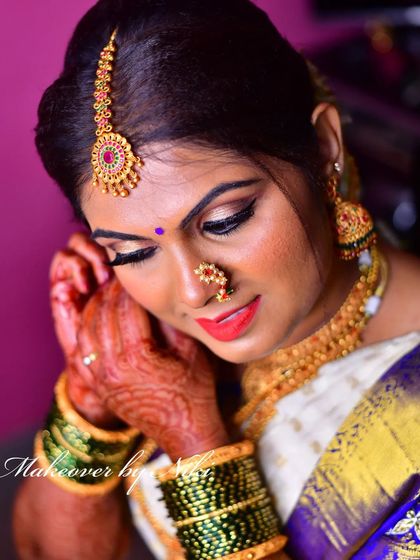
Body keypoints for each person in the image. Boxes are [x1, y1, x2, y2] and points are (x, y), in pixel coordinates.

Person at [12, 1, 420, 559]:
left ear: (324, 149)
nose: (193, 291)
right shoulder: (148, 348)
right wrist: (89, 401)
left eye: (225, 221)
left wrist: (196, 444)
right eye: (130, 252)